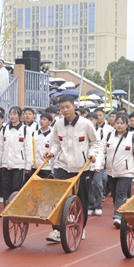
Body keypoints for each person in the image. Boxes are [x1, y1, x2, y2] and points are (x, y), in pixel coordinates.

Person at [43, 94, 104, 243]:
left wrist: (92, 154)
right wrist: (52, 152)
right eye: (62, 107)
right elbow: (56, 143)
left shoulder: (86, 124)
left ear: (74, 106)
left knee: (81, 199)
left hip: (82, 167)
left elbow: (96, 143)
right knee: (59, 199)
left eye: (67, 107)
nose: (64, 110)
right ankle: (57, 230)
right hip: (63, 166)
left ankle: (80, 227)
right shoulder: (58, 124)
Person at [104, 114, 134, 228]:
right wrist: (98, 165)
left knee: (120, 192)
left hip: (126, 172)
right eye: (117, 123)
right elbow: (102, 151)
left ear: (126, 125)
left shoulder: (133, 137)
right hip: (111, 171)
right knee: (115, 195)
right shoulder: (109, 136)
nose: (119, 125)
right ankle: (123, 212)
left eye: (122, 123)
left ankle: (118, 216)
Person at [0, 106, 33, 203]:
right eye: (11, 114)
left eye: (15, 114)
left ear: (20, 116)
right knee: (6, 188)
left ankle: (16, 207)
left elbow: (28, 148)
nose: (12, 116)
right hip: (5, 164)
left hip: (19, 165)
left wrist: (28, 165)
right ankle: (6, 208)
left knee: (16, 188)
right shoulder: (4, 129)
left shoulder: (25, 129)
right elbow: (0, 148)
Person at [89, 108, 113, 216]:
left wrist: (101, 162)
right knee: (88, 185)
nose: (92, 121)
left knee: (98, 184)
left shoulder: (103, 132)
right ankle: (90, 205)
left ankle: (98, 205)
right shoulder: (85, 131)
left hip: (98, 162)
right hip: (86, 163)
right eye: (89, 119)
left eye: (94, 118)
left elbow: (102, 149)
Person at [32, 112, 55, 179]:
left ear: (50, 122)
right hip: (34, 166)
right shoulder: (34, 133)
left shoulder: (52, 135)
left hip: (46, 167)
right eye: (41, 119)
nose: (42, 121)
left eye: (44, 119)